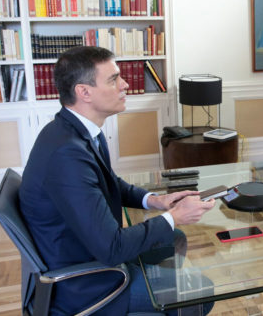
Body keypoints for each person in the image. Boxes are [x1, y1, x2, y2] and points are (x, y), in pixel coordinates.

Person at [19, 46, 215, 315]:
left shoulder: (75, 132)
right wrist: (175, 216)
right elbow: (112, 248)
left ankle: (160, 301)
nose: (125, 84)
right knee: (200, 293)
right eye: (113, 79)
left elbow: (109, 181)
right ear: (84, 92)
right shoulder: (66, 154)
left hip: (91, 252)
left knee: (173, 238)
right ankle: (160, 300)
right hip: (86, 283)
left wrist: (155, 201)